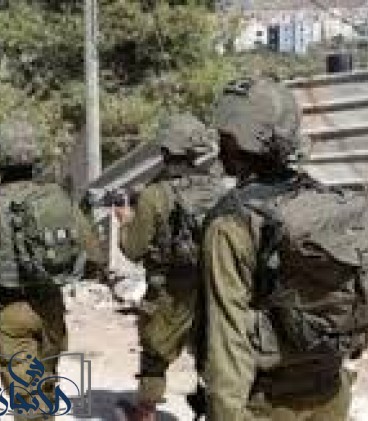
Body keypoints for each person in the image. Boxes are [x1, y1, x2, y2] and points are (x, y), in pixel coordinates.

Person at [200, 77, 368, 420]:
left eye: (224, 135)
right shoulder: (318, 198)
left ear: (237, 140)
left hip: (270, 403)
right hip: (330, 392)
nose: (219, 142)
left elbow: (227, 337)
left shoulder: (231, 224)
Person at [0, 118, 106, 421]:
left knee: (29, 402)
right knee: (46, 390)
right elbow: (95, 256)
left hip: (10, 313)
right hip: (51, 309)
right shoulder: (59, 198)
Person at [114, 114, 228, 421]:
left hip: (169, 291)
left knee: (155, 354)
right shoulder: (220, 190)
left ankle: (145, 413)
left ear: (166, 150)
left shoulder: (155, 195)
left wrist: (125, 221)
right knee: (212, 353)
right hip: (212, 287)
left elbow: (133, 249)